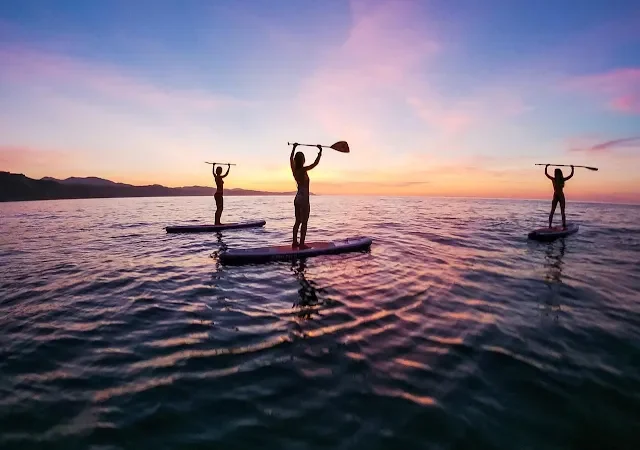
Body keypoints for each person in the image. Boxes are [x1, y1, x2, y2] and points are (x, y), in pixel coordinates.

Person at [290, 143, 322, 249]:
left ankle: (295, 242)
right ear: (302, 160)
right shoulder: (303, 170)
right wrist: (320, 152)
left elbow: (290, 158)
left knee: (297, 221)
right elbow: (315, 164)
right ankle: (302, 244)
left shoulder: (294, 171)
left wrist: (294, 148)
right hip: (303, 199)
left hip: (297, 198)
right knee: (304, 222)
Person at [545, 164, 574, 229]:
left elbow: (571, 175)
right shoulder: (553, 179)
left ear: (559, 174)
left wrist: (572, 168)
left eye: (557, 173)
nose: (556, 174)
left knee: (562, 211)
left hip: (561, 196)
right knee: (552, 210)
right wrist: (546, 167)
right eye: (555, 173)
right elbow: (546, 174)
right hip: (555, 196)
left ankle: (564, 225)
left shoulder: (562, 180)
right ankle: (549, 225)